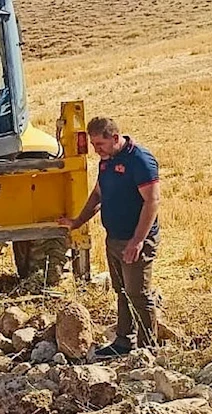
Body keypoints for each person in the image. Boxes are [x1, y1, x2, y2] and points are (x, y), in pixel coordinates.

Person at [58, 117, 161, 358]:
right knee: (122, 291)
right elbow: (98, 194)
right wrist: (77, 222)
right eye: (93, 144)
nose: (96, 149)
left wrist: (137, 241)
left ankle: (148, 350)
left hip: (135, 240)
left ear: (115, 138)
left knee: (138, 294)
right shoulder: (107, 162)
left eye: (100, 144)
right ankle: (124, 342)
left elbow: (152, 201)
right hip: (114, 238)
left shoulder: (140, 160)